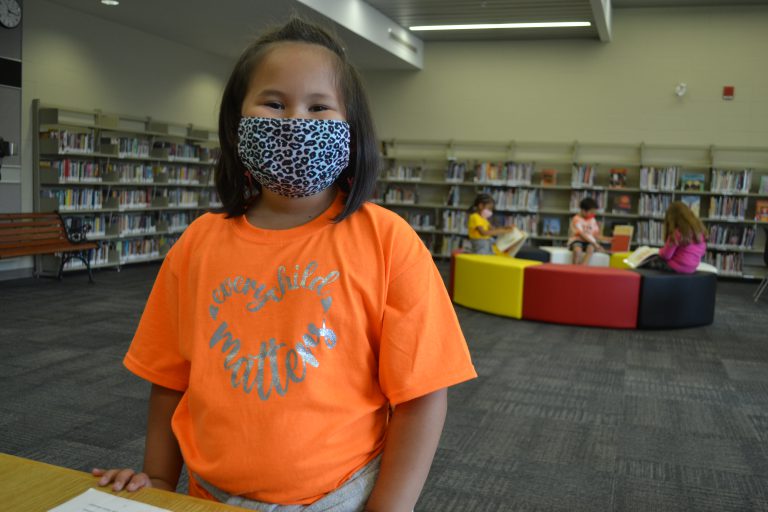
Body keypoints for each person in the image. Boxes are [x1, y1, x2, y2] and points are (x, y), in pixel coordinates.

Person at [92, 18, 476, 512]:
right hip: (206, 495)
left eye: (319, 106)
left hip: (339, 497)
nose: (296, 122)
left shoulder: (387, 241)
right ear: (236, 123)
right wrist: (160, 480)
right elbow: (169, 379)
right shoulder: (199, 243)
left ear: (350, 129)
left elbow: (422, 397)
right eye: (274, 103)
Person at [641, 201, 707, 273]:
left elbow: (666, 255)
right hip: (692, 269)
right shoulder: (700, 231)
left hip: (675, 267)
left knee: (648, 261)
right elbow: (702, 252)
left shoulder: (677, 233)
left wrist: (659, 251)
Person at [567, 197, 611, 265]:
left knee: (590, 249)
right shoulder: (576, 219)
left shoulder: (592, 220)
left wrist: (609, 239)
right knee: (577, 251)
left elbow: (595, 235)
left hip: (590, 242)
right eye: (591, 212)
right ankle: (575, 269)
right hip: (577, 240)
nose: (593, 214)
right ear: (583, 211)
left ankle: (582, 268)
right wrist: (595, 243)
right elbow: (582, 234)